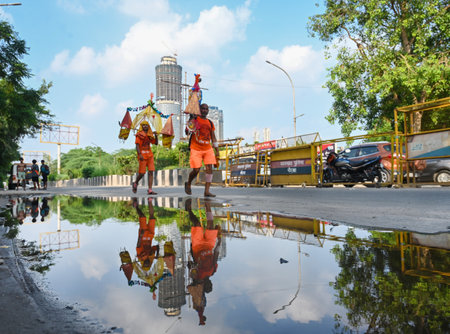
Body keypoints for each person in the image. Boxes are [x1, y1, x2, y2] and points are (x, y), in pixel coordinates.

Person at [185, 198, 221, 326]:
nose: (210, 284)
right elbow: (216, 254)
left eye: (209, 286)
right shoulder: (212, 271)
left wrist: (200, 316)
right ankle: (207, 205)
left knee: (197, 224)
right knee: (210, 224)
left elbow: (198, 298)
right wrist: (219, 242)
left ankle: (189, 210)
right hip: (209, 245)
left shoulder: (198, 277)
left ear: (204, 286)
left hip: (198, 246)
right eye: (211, 285)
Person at [184, 104, 219, 197]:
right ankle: (188, 183)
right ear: (199, 110)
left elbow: (213, 137)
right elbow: (187, 131)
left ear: (208, 111)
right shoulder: (195, 120)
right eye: (202, 108)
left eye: (206, 109)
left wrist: (217, 150)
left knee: (209, 169)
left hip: (208, 149)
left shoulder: (210, 123)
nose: (204, 110)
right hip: (196, 148)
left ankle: (207, 191)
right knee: (196, 170)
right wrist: (191, 120)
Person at [132, 121, 158, 195]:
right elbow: (137, 145)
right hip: (142, 156)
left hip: (150, 155)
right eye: (143, 125)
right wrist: (139, 154)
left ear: (148, 126)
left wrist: (156, 135)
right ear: (142, 126)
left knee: (151, 172)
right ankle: (135, 183)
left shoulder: (150, 135)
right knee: (142, 173)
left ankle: (150, 189)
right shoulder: (139, 135)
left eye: (146, 125)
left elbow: (156, 143)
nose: (145, 126)